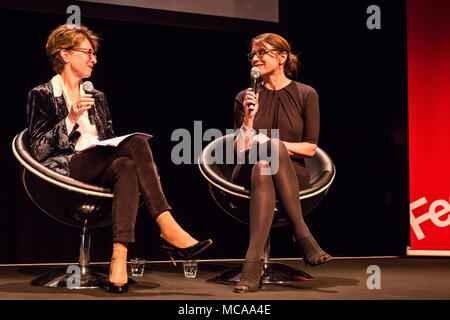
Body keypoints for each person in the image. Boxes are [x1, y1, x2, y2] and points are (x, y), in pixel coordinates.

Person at [26, 24, 212, 293]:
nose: (94, 59)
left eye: (94, 54)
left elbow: (110, 142)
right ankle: (167, 224)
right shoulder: (42, 94)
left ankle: (119, 260)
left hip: (98, 165)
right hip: (66, 169)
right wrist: (70, 118)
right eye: (87, 52)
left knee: (126, 165)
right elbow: (39, 149)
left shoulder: (97, 96)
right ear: (65, 55)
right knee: (136, 142)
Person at [232, 33, 331, 293]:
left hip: (291, 174)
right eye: (253, 54)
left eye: (261, 52)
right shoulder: (245, 96)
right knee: (264, 162)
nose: (255, 59)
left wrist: (272, 144)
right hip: (248, 170)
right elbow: (239, 150)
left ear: (282, 57)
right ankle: (303, 235)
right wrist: (248, 120)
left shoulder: (306, 94)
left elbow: (309, 148)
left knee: (270, 160)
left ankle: (250, 266)